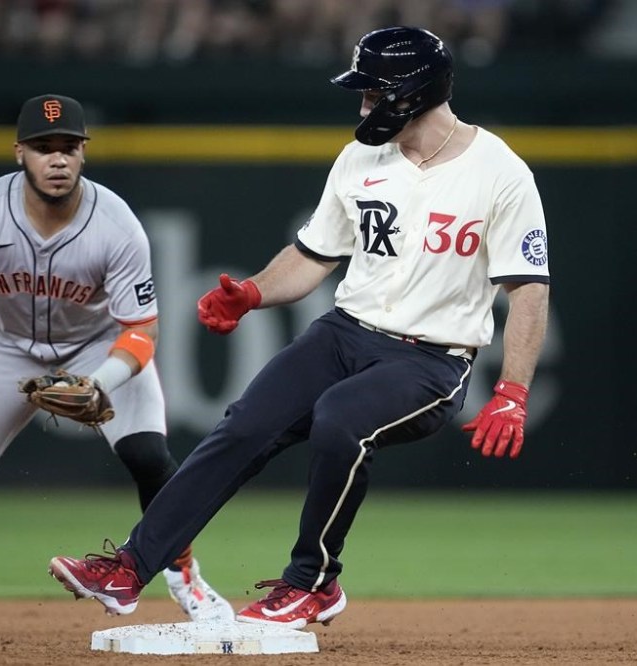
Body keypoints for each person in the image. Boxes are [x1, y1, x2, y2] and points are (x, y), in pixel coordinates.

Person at [49, 25, 551, 628]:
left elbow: (528, 289)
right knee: (243, 426)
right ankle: (129, 570)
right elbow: (315, 255)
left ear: (411, 93)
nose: (363, 104)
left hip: (431, 360)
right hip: (344, 333)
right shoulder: (360, 158)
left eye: (373, 91)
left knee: (342, 418)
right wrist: (255, 291)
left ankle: (313, 583)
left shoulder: (500, 172)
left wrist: (514, 390)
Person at [0, 93, 234, 635]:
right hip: (6, 347)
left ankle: (187, 579)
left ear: (84, 154)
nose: (58, 159)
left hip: (98, 347)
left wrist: (101, 381)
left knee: (151, 459)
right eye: (44, 148)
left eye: (69, 147)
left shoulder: (116, 224)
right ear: (19, 152)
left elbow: (142, 329)